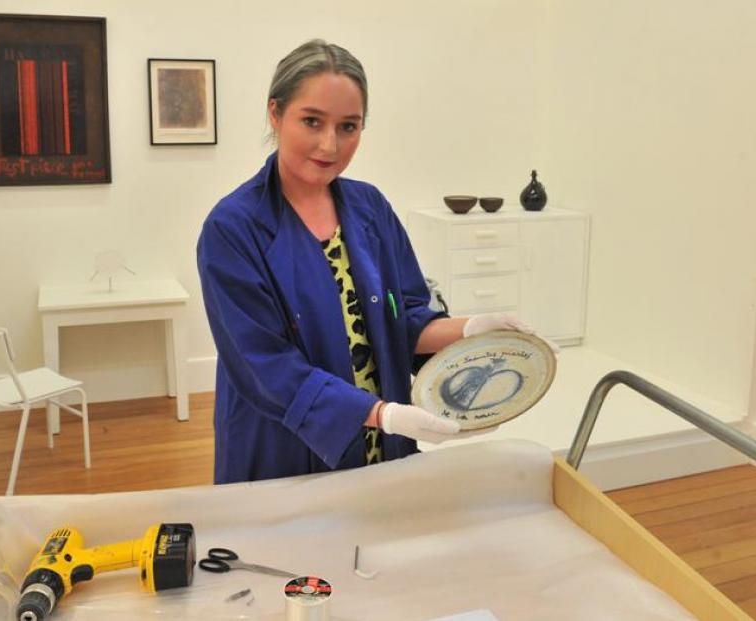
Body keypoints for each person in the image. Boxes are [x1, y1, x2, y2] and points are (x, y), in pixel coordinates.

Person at [197, 39, 537, 484]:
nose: (329, 144)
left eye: (348, 126)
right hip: (289, 447)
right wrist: (380, 413)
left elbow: (406, 318)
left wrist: (470, 330)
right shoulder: (233, 228)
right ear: (275, 114)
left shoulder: (369, 208)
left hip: (383, 441)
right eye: (312, 121)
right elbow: (265, 366)